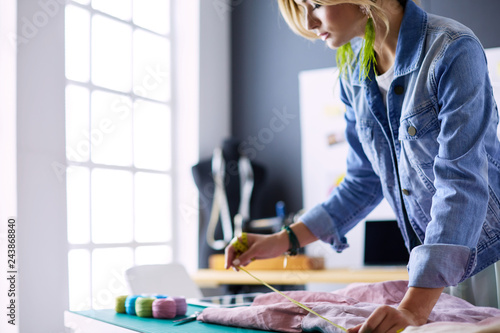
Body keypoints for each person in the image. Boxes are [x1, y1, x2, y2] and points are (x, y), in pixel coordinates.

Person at [225, 0, 500, 332]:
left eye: (314, 4)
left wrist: (413, 308)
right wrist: (280, 241)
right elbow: (362, 182)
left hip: (490, 258)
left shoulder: (453, 50)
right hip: (435, 275)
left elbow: (461, 184)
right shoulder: (354, 75)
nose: (310, 23)